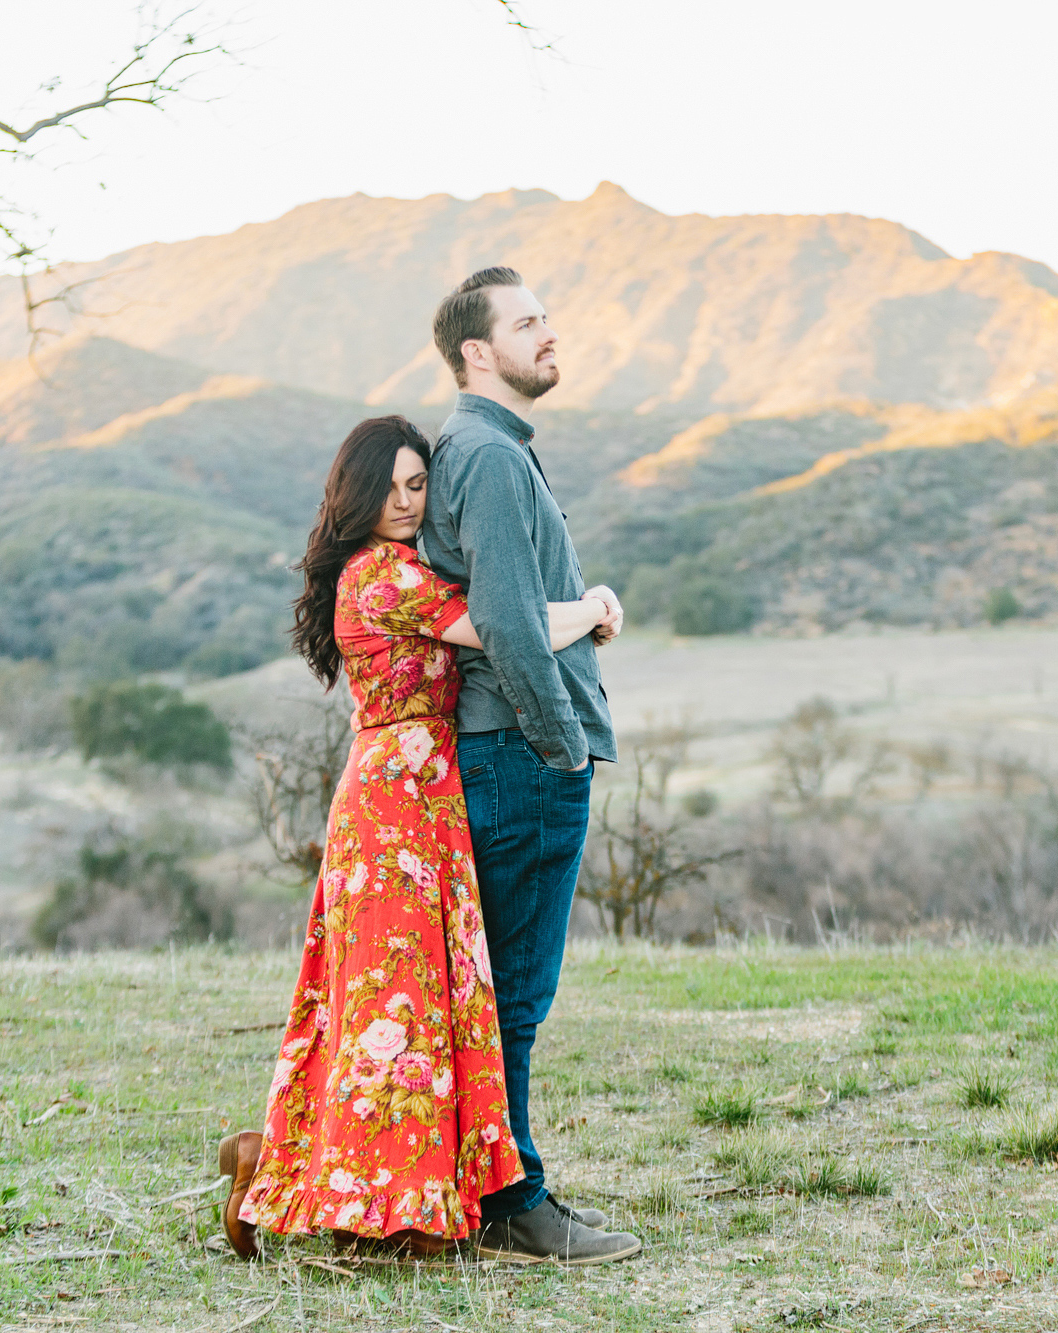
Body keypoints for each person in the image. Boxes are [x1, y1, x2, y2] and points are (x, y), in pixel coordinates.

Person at [217, 415, 621, 1259]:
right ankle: (345, 1195)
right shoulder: (380, 575)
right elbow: (504, 630)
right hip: (392, 809)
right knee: (389, 1005)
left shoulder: (405, 567)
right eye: (389, 488)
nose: (405, 503)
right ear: (355, 496)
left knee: (407, 1002)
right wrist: (593, 607)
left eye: (417, 485)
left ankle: (297, 1169)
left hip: (425, 800)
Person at [416, 266, 641, 1265]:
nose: (549, 334)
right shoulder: (490, 459)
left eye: (545, 316)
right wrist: (559, 747)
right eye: (527, 322)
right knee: (515, 995)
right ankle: (513, 1203)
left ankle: (484, 1190)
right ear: (477, 351)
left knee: (496, 991)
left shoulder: (482, 451)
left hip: (507, 752)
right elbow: (505, 625)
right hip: (520, 755)